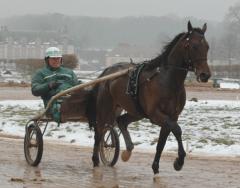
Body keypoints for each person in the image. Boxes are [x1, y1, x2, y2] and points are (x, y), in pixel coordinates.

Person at [31, 47, 79, 123]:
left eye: (58, 58)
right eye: (53, 59)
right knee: (59, 107)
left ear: (61, 59)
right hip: (52, 104)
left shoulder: (69, 72)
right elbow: (35, 90)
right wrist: (49, 86)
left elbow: (77, 85)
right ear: (47, 60)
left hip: (71, 101)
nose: (56, 61)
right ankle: (61, 114)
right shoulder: (41, 73)